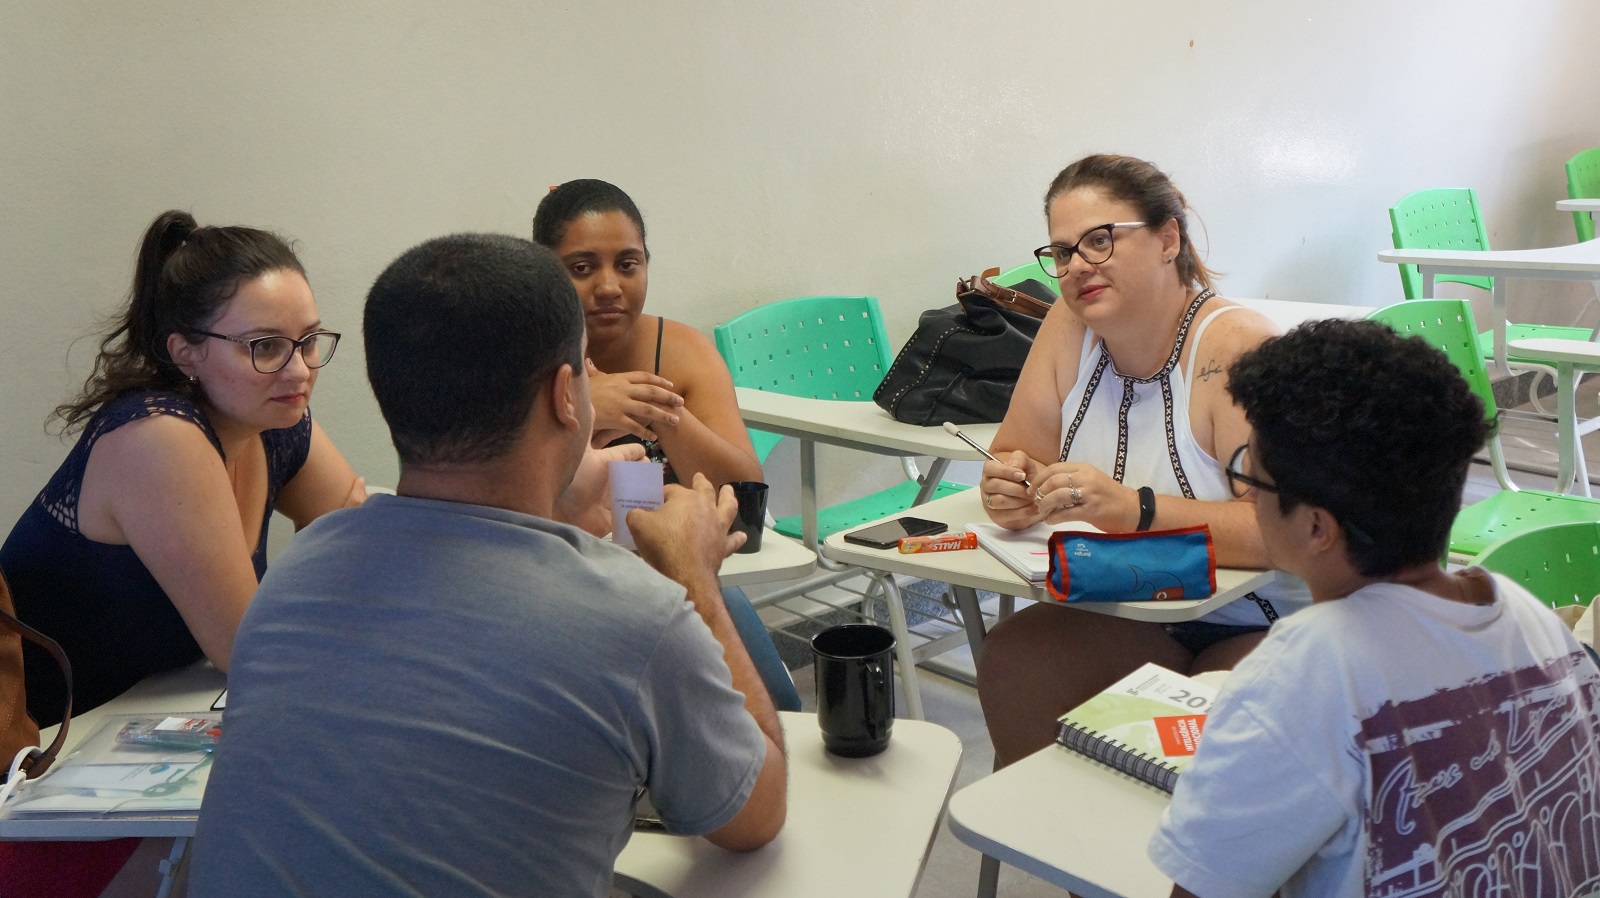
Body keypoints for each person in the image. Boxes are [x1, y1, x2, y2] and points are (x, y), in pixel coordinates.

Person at [189, 234, 787, 897]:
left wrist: (554, 513)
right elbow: (754, 816)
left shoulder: (296, 573)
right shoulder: (637, 617)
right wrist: (693, 576)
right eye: (587, 372)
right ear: (565, 395)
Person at [1151, 319, 1600, 897]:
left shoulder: (1308, 669)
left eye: (1249, 477)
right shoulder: (1524, 614)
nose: (1248, 497)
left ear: (1316, 527)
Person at [976, 154, 1309, 766]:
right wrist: (1008, 488)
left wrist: (1134, 510)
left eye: (1100, 240)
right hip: (1131, 608)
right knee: (1015, 659)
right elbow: (1015, 452)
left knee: (1221, 724)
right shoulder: (1067, 326)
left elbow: (1284, 531)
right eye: (1062, 252)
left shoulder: (1234, 348)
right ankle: (1050, 824)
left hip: (1266, 620)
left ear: (1167, 239)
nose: (1078, 266)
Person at [0, 210, 364, 727]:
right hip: (40, 745)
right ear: (185, 353)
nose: (299, 370)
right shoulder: (158, 436)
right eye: (265, 347)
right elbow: (248, 651)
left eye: (307, 341)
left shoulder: (271, 417)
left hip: (130, 723)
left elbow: (365, 544)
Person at [534, 179, 801, 712]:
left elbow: (744, 491)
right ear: (543, 272)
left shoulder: (681, 351)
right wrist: (585, 407)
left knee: (776, 704)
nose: (609, 286)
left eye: (627, 264)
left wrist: (657, 409)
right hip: (558, 587)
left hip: (676, 575)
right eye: (582, 268)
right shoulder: (518, 356)